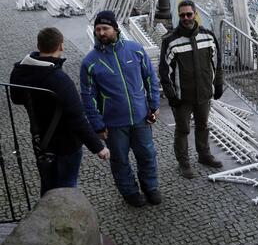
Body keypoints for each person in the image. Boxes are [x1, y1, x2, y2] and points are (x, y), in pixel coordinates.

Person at [10, 28, 110, 196]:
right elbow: (77, 118)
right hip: (66, 143)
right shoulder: (59, 80)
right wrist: (98, 147)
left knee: (48, 186)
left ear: (38, 45)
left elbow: (16, 98)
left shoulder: (19, 72)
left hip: (40, 140)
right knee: (66, 188)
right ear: (61, 46)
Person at [80, 11, 162, 207]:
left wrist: (154, 105)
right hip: (114, 124)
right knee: (120, 161)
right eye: (98, 29)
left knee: (148, 155)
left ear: (115, 29)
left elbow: (151, 78)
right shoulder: (90, 62)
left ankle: (151, 187)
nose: (101, 32)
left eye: (105, 28)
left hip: (141, 118)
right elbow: (88, 97)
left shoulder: (135, 50)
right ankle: (129, 191)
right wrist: (98, 125)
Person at [159, 0, 225, 179]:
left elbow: (217, 63)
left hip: (204, 93)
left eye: (189, 14)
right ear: (178, 16)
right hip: (181, 97)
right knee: (183, 130)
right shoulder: (171, 41)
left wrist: (218, 84)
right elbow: (165, 71)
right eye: (182, 15)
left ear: (195, 14)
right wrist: (171, 95)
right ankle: (184, 162)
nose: (186, 18)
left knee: (203, 126)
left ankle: (204, 155)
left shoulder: (208, 36)